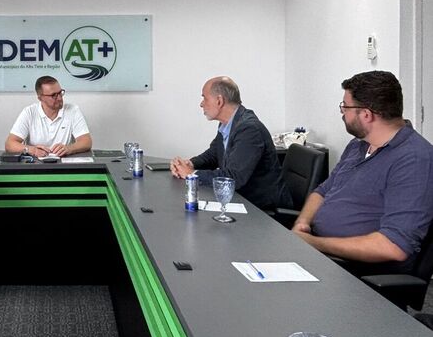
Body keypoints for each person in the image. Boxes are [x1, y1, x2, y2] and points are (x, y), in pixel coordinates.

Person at [292, 71, 433, 274]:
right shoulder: (358, 145)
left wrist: (314, 243)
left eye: (345, 107)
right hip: (320, 254)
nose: (342, 113)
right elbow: (323, 191)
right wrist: (303, 223)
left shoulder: (414, 160)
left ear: (366, 114)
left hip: (354, 272)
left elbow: (393, 246)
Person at [170, 76, 291, 210]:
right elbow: (214, 154)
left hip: (262, 210)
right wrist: (190, 164)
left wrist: (191, 174)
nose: (201, 104)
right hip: (241, 199)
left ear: (219, 101)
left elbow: (233, 178)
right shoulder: (228, 123)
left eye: (204, 98)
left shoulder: (249, 129)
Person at [5, 76, 92, 157]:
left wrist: (69, 148)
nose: (59, 98)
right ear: (40, 98)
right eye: (53, 95)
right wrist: (31, 150)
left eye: (60, 93)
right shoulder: (29, 112)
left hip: (64, 165)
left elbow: (86, 142)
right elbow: (10, 143)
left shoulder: (73, 110)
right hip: (35, 166)